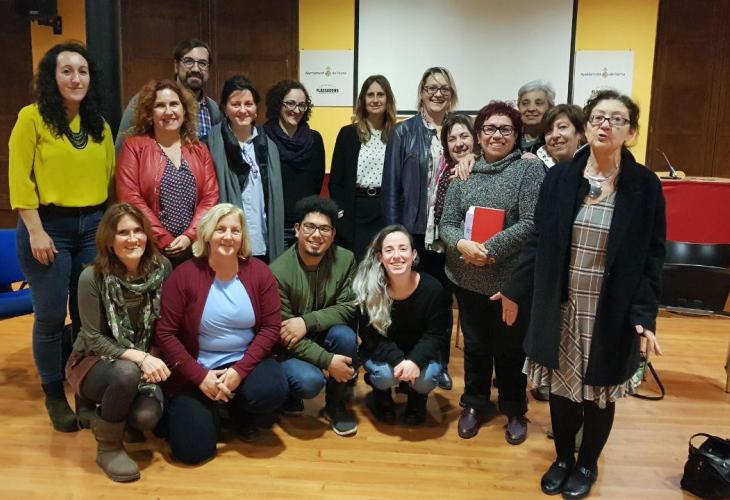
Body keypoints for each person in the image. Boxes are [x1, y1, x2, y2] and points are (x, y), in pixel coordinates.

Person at [495, 90, 665, 498]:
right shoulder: (561, 178)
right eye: (599, 117)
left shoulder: (644, 185)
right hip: (560, 302)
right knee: (561, 387)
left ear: (631, 132)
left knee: (598, 393)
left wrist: (644, 315)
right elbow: (539, 240)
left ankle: (587, 462)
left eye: (617, 119)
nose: (606, 125)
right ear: (587, 126)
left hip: (609, 308)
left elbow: (652, 255)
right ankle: (562, 459)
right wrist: (515, 289)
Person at [9, 42, 115, 432]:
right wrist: (35, 230)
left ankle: (85, 392)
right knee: (52, 317)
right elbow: (19, 179)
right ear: (52, 77)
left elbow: (110, 180)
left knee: (89, 316)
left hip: (92, 227)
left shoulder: (99, 125)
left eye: (82, 71)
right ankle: (54, 394)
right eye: (66, 70)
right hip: (47, 227)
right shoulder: (32, 118)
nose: (75, 78)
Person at [439, 101, 544, 444]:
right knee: (476, 345)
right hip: (467, 277)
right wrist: (462, 244)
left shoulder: (529, 170)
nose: (497, 135)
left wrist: (488, 249)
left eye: (505, 129)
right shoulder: (464, 171)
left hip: (510, 281)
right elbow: (447, 222)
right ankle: (474, 403)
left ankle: (514, 408)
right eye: (489, 128)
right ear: (479, 134)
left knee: (510, 348)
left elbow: (531, 223)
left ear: (516, 135)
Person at [155, 203, 289, 465]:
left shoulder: (259, 272)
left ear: (242, 237)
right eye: (221, 229)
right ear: (207, 235)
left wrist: (239, 372)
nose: (228, 236)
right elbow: (165, 333)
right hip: (197, 368)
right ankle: (211, 410)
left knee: (271, 389)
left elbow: (271, 327)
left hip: (244, 362)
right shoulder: (184, 275)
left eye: (235, 231)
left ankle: (237, 408)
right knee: (192, 453)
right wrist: (200, 376)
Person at [65, 204, 171, 482]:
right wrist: (141, 358)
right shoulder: (92, 277)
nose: (133, 239)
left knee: (146, 418)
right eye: (123, 233)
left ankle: (112, 411)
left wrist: (153, 355)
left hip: (143, 359)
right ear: (109, 240)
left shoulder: (162, 268)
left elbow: (164, 324)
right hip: (91, 361)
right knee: (126, 372)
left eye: (138, 231)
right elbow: (93, 338)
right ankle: (108, 448)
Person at [381, 66, 459, 391]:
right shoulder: (404, 132)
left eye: (444, 88)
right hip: (412, 230)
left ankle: (439, 363)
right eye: (431, 88)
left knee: (442, 298)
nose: (437, 93)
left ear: (451, 93)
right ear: (422, 92)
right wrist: (394, 234)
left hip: (449, 232)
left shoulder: (459, 131)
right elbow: (391, 186)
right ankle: (405, 359)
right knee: (409, 298)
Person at [269, 196, 359, 436]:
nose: (316, 235)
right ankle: (290, 392)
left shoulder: (346, 260)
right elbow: (284, 334)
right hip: (292, 347)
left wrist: (306, 322)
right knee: (309, 382)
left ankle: (335, 405)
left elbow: (349, 307)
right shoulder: (278, 272)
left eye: (324, 229)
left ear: (333, 235)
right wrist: (328, 362)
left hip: (326, 333)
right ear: (297, 229)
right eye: (310, 227)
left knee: (346, 337)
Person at [353, 225, 450, 425]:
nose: (396, 256)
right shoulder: (370, 289)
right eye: (389, 250)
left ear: (414, 255)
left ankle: (417, 399)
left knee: (426, 379)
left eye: (403, 249)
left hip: (419, 351)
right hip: (384, 354)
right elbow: (370, 336)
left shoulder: (433, 289)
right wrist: (399, 362)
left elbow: (436, 335)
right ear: (380, 257)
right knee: (385, 376)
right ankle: (381, 395)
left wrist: (414, 361)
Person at [116, 79, 219, 266]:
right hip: (150, 250)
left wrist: (190, 236)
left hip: (194, 249)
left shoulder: (199, 149)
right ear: (150, 113)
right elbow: (130, 197)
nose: (168, 111)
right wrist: (163, 239)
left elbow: (210, 198)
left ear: (184, 110)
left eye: (174, 104)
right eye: (160, 105)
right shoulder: (134, 147)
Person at [206, 75, 285, 262]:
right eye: (235, 104)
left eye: (248, 104)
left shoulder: (269, 147)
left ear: (256, 110)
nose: (243, 110)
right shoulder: (209, 145)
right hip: (226, 240)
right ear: (225, 109)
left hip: (262, 240)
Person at [329, 75, 397, 261]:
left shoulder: (397, 134)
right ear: (363, 99)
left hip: (384, 210)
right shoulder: (348, 133)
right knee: (356, 264)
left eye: (380, 95)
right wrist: (340, 213)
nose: (375, 100)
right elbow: (335, 181)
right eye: (370, 95)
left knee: (383, 263)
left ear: (388, 99)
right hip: (355, 210)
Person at [116, 38, 221, 151]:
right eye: (188, 61)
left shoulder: (213, 109)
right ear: (176, 66)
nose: (196, 69)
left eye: (202, 63)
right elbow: (122, 149)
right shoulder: (146, 101)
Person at [263, 81, 325, 248]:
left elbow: (316, 184)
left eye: (302, 105)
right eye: (290, 103)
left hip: (306, 226)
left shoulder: (315, 139)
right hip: (274, 226)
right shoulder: (263, 138)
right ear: (278, 104)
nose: (296, 110)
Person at [535, 104, 586, 170]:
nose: (554, 135)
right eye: (548, 130)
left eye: (562, 127)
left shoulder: (594, 167)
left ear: (580, 132)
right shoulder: (535, 167)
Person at [517, 80, 555, 153]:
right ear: (518, 107)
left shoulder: (556, 139)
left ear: (550, 107)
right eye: (525, 103)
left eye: (538, 103)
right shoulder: (510, 138)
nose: (531, 109)